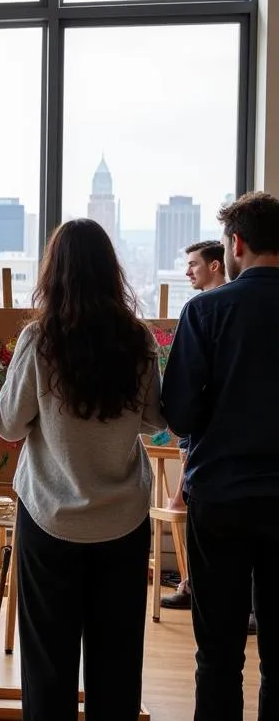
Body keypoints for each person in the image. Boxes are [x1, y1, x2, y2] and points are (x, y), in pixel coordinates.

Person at [0, 218, 163, 721]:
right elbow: (152, 420)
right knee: (119, 647)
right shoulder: (137, 340)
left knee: (49, 650)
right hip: (122, 518)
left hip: (51, 517)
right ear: (110, 270)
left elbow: (8, 426)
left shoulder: (41, 340)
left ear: (53, 272)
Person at [162, 192, 279, 721]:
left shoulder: (208, 311)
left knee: (220, 657)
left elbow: (178, 412)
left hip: (223, 500)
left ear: (234, 244)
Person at [161, 240, 226, 611]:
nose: (187, 272)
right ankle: (191, 583)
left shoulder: (203, 312)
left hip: (214, 459)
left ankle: (202, 590)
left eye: (193, 265)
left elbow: (185, 400)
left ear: (217, 264)